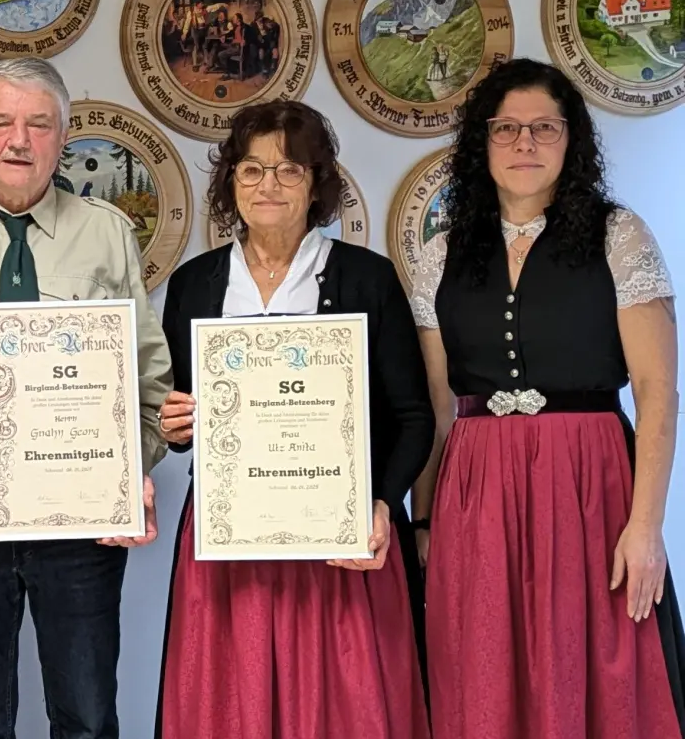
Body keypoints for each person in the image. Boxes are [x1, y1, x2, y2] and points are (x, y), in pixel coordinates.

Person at [0, 56, 171, 739]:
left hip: (78, 529)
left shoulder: (105, 232)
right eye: (2, 123)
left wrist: (129, 465)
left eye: (39, 124)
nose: (20, 140)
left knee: (85, 715)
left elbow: (148, 380)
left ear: (63, 136)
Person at [408, 58, 684, 738]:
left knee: (591, 667)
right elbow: (438, 408)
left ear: (571, 139)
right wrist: (424, 520)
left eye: (543, 128)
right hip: (475, 489)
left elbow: (657, 392)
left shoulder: (618, 237)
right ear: (483, 141)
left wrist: (645, 529)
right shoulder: (440, 254)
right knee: (479, 673)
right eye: (506, 129)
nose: (525, 144)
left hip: (587, 479)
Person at [154, 100, 433, 739]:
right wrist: (171, 425)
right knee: (230, 705)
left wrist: (384, 503)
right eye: (251, 171)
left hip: (339, 537)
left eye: (288, 170)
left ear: (317, 183)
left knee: (341, 709)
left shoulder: (367, 279)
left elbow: (414, 416)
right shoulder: (196, 284)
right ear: (230, 184)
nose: (268, 187)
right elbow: (177, 419)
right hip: (229, 538)